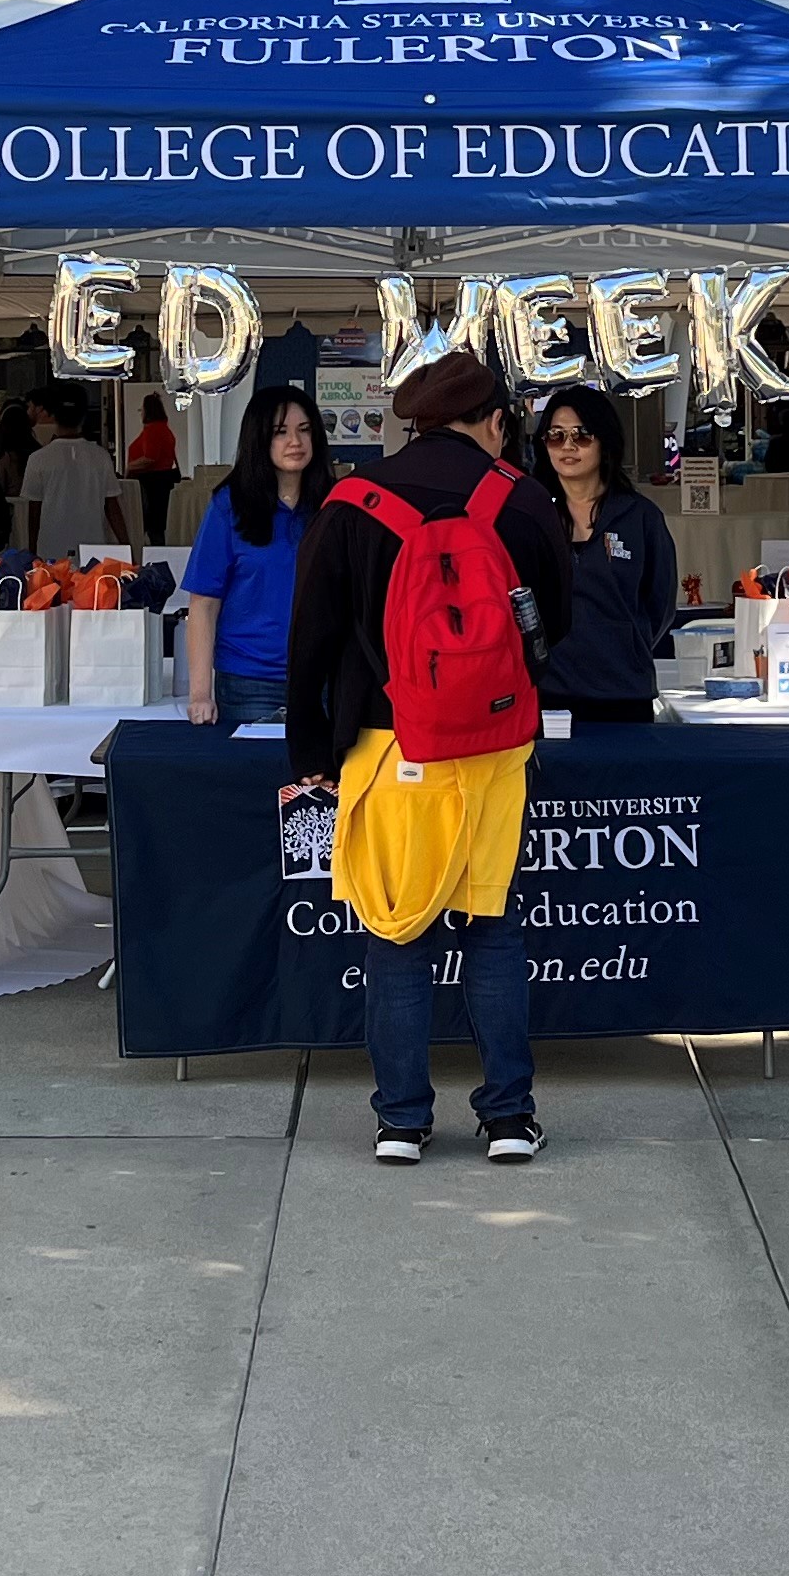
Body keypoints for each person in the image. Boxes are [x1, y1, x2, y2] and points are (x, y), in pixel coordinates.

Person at [281, 352, 576, 1170]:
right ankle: (509, 1118)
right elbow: (555, 623)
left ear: (410, 422)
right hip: (493, 749)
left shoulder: (349, 503)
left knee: (394, 936)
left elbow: (309, 639)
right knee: (491, 929)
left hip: (389, 749)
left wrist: (310, 747)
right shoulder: (520, 499)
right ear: (493, 421)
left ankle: (402, 1123)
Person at [183, 385, 332, 726]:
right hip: (249, 684)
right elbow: (203, 604)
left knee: (321, 782)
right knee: (259, 779)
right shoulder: (229, 507)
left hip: (323, 679)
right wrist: (200, 695)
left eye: (304, 429)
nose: (295, 441)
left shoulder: (334, 506)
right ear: (259, 438)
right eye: (280, 432)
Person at [529, 382, 679, 721]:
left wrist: (625, 643)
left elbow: (660, 604)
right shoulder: (530, 516)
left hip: (624, 692)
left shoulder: (641, 517)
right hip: (546, 694)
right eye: (555, 435)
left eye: (581, 436)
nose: (567, 447)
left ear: (604, 441)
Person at [17, 383, 128, 559]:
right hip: (93, 553)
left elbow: (34, 511)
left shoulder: (38, 459)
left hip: (51, 552)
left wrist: (32, 551)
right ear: (84, 417)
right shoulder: (101, 457)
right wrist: (126, 547)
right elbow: (112, 507)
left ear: (53, 415)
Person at [127, 391, 182, 546]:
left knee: (151, 524)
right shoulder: (164, 429)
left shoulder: (153, 431)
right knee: (157, 524)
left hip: (151, 483)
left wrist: (130, 466)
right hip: (161, 481)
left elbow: (151, 457)